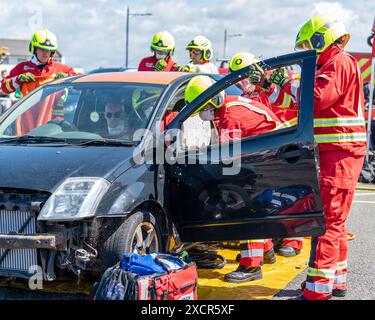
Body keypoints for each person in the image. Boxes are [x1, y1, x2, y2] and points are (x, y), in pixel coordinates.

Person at [250, 15, 366, 300]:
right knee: (335, 222)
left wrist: (288, 80)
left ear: (320, 39)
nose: (306, 51)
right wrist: (269, 86)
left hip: (339, 154)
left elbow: (316, 98)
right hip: (336, 154)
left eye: (307, 45)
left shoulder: (338, 62)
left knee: (326, 222)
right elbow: (297, 105)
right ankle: (335, 282)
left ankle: (317, 291)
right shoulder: (329, 64)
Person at [184, 75, 280, 282]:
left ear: (213, 101)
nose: (201, 113)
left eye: (203, 107)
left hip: (268, 154)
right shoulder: (226, 108)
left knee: (246, 206)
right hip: (267, 150)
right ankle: (266, 251)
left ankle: (251, 267)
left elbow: (228, 161)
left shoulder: (229, 116)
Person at [1, 29, 77, 96]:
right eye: (42, 49)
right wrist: (18, 79)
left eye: (49, 50)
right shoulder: (21, 68)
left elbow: (82, 80)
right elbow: (4, 88)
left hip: (53, 112)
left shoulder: (60, 69)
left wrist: (68, 77)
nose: (46, 53)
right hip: (29, 111)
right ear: (34, 49)